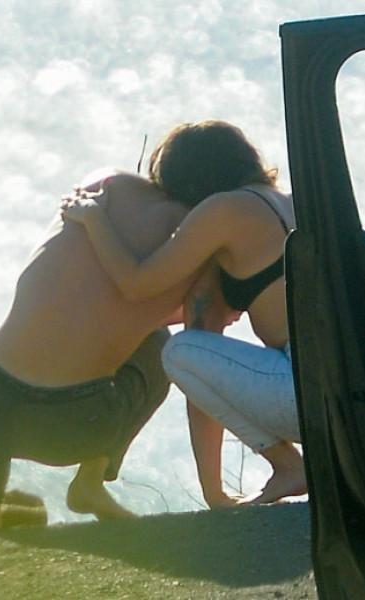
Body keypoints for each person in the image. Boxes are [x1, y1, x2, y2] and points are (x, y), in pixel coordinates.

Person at [0, 168, 203, 536]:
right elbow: (182, 315)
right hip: (78, 428)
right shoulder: (192, 240)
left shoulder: (104, 184)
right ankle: (90, 480)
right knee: (158, 343)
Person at [62, 120, 306, 510]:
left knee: (180, 352)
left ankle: (288, 465)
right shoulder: (295, 202)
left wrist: (93, 218)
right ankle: (293, 467)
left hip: (304, 393)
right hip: (349, 388)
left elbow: (137, 283)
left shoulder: (224, 209)